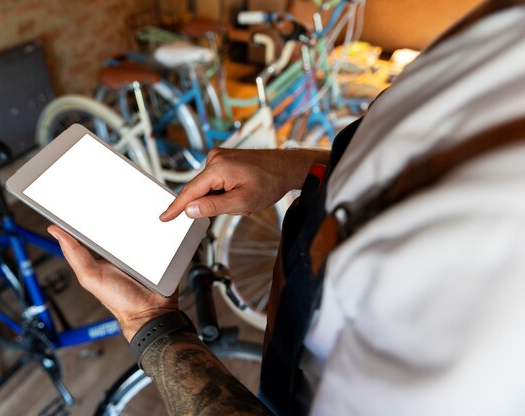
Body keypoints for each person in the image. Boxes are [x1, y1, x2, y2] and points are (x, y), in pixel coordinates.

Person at [47, 1, 525, 414]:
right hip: (288, 360)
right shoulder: (499, 29)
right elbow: (402, 166)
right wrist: (298, 167)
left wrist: (150, 325)